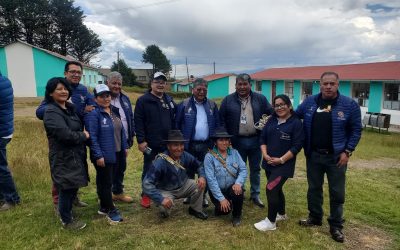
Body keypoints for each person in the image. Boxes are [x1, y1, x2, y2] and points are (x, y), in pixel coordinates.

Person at [296, 72, 362, 243]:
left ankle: (336, 225)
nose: (328, 86)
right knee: (314, 188)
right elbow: (295, 116)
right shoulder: (310, 102)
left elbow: (356, 130)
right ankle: (315, 217)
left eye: (332, 83)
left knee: (337, 192)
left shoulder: (349, 105)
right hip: (314, 155)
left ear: (338, 84)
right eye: (325, 83)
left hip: (336, 158)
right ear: (320, 84)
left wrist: (347, 151)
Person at [36, 61, 94, 208]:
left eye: (78, 72)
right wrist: (60, 105)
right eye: (72, 71)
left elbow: (91, 106)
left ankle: (73, 198)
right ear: (65, 73)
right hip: (62, 136)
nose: (76, 74)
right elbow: (39, 112)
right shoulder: (58, 88)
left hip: (78, 136)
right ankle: (58, 203)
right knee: (62, 170)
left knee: (77, 167)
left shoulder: (83, 90)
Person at [219, 73, 273, 207]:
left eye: (245, 84)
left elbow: (271, 113)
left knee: (255, 169)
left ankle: (255, 194)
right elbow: (221, 121)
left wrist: (265, 126)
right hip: (236, 141)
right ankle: (239, 193)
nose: (242, 87)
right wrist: (226, 139)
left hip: (256, 140)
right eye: (239, 84)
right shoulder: (228, 100)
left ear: (250, 85)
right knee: (237, 169)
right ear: (236, 85)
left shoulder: (260, 99)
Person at [43, 77, 89, 230]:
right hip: (63, 157)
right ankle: (66, 220)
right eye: (59, 89)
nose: (63, 91)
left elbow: (75, 128)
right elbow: (66, 135)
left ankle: (68, 212)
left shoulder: (69, 108)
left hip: (75, 155)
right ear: (50, 93)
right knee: (66, 187)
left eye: (65, 89)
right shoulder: (51, 111)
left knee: (73, 185)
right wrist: (84, 136)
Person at [254, 94, 304, 231]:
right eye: (276, 105)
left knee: (271, 188)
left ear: (289, 106)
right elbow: (262, 139)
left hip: (284, 165)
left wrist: (281, 159)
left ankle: (271, 222)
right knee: (277, 189)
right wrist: (265, 155)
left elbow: (297, 146)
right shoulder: (271, 120)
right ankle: (281, 214)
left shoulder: (296, 123)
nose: (279, 107)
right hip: (269, 163)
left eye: (282, 104)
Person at [142, 130, 208, 220]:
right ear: (168, 146)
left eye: (181, 145)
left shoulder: (185, 155)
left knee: (200, 184)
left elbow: (199, 165)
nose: (179, 148)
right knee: (164, 211)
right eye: (175, 145)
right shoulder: (160, 161)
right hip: (166, 191)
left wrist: (202, 176)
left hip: (183, 186)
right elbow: (146, 184)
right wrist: (161, 199)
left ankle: (195, 209)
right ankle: (163, 206)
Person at [85, 84, 127, 224]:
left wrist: (125, 146)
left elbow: (121, 130)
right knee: (106, 183)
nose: (106, 98)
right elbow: (92, 137)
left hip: (117, 152)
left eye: (107, 95)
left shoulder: (114, 111)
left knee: (107, 181)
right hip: (104, 155)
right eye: (102, 96)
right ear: (95, 98)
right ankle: (111, 210)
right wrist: (98, 155)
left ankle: (103, 207)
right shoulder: (93, 114)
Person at [134, 72, 176, 208]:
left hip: (166, 143)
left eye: (163, 82)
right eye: (157, 81)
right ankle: (146, 195)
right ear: (151, 83)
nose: (160, 84)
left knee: (165, 169)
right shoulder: (143, 100)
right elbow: (138, 122)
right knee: (149, 169)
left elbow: (174, 119)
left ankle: (162, 194)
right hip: (150, 144)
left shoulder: (168, 100)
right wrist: (141, 140)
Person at [176, 78, 219, 207]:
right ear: (193, 89)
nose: (201, 92)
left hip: (207, 145)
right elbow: (177, 124)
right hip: (189, 145)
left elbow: (217, 124)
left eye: (204, 90)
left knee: (205, 171)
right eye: (198, 89)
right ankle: (189, 194)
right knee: (188, 170)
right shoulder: (184, 104)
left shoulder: (212, 105)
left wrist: (216, 142)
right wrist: (179, 143)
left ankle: (203, 195)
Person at [204, 128, 247, 226]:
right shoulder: (209, 157)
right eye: (221, 140)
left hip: (231, 187)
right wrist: (221, 199)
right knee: (225, 211)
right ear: (215, 142)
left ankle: (236, 216)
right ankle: (220, 206)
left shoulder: (235, 153)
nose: (224, 142)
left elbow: (243, 169)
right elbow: (211, 180)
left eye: (226, 140)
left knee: (238, 191)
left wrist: (238, 183)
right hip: (217, 190)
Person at [106, 72, 135, 203]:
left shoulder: (125, 98)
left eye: (119, 84)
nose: (117, 86)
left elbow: (130, 118)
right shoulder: (101, 97)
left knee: (120, 169)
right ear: (107, 83)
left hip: (123, 142)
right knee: (107, 172)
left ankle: (117, 193)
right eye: (114, 83)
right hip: (108, 143)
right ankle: (106, 197)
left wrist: (129, 140)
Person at [0, 73, 21, 211]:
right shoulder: (4, 80)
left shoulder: (1, 83)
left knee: (1, 167)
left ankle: (12, 199)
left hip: (1, 131)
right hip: (4, 130)